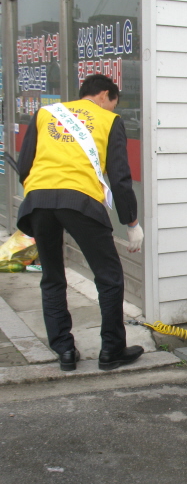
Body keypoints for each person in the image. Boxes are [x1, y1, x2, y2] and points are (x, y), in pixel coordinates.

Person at [17, 74, 144, 372]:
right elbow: (120, 176)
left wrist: (40, 196)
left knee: (52, 276)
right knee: (109, 277)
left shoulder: (46, 113)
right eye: (113, 103)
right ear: (103, 95)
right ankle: (111, 351)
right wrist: (131, 222)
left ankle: (64, 351)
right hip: (80, 200)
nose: (112, 110)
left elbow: (25, 165)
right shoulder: (109, 121)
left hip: (39, 200)